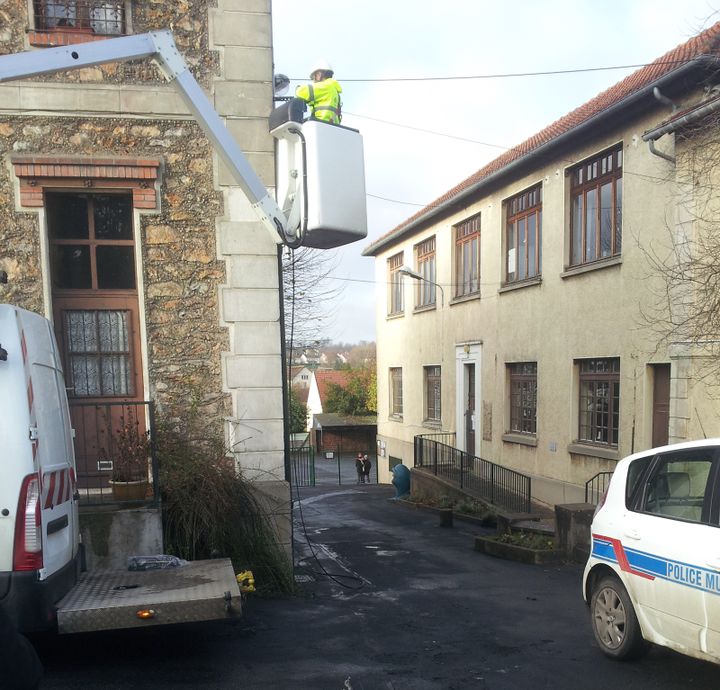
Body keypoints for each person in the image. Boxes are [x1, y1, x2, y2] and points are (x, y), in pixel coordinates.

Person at [295, 60, 342, 125]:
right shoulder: (334, 90)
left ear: (319, 74)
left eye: (314, 78)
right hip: (332, 126)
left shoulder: (325, 86)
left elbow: (301, 92)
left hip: (321, 123)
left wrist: (297, 88)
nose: (314, 81)